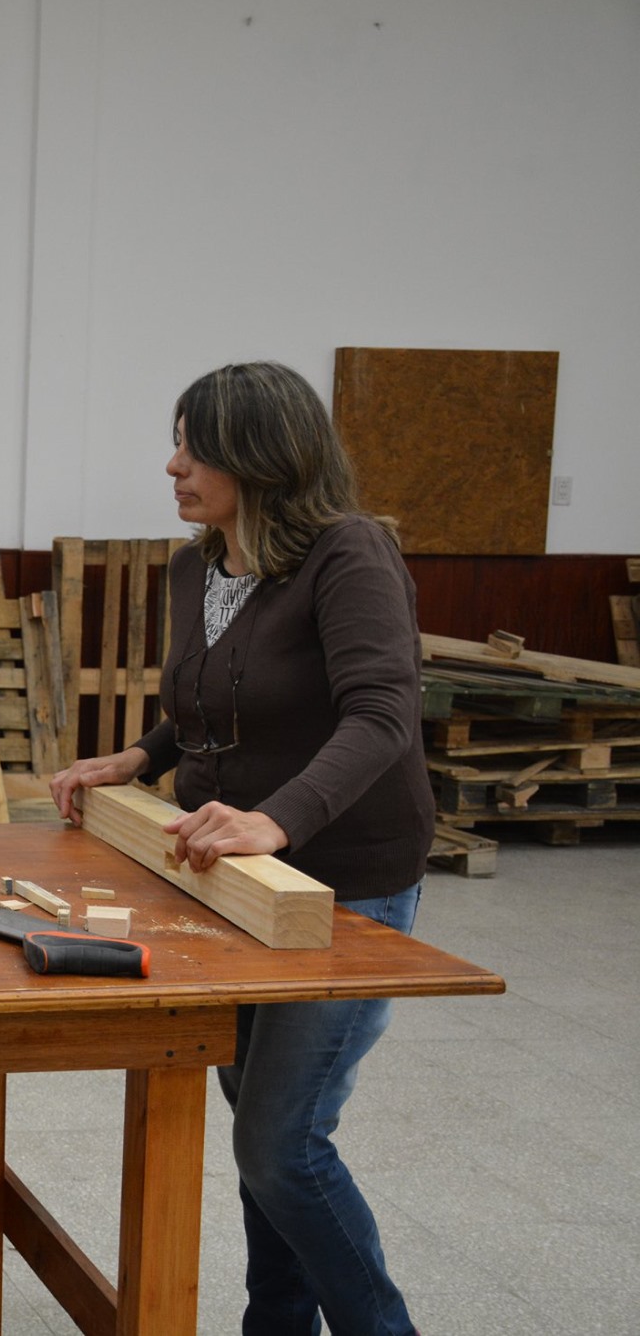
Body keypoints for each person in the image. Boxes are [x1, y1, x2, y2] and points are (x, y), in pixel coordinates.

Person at [50, 361, 433, 1336]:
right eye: (176, 444)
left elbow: (380, 713)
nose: (171, 466)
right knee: (258, 1131)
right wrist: (139, 757)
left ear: (261, 456)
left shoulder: (348, 554)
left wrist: (279, 818)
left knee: (282, 1148)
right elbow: (209, 699)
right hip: (233, 884)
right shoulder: (200, 565)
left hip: (339, 884)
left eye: (194, 448)